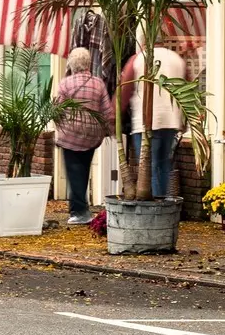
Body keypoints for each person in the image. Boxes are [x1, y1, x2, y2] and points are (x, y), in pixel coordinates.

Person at [55, 48, 114, 225]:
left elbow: (56, 109)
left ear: (72, 64)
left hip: (70, 136)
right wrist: (106, 132)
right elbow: (107, 111)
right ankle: (81, 209)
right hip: (91, 136)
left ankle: (79, 211)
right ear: (89, 64)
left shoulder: (65, 84)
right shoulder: (98, 84)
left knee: (74, 172)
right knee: (83, 170)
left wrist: (61, 127)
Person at [123, 45, 189, 200]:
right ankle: (164, 203)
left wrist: (114, 115)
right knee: (164, 165)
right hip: (170, 121)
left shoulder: (138, 59)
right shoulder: (177, 60)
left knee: (149, 168)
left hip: (144, 123)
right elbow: (188, 89)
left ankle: (155, 209)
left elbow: (124, 89)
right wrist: (185, 118)